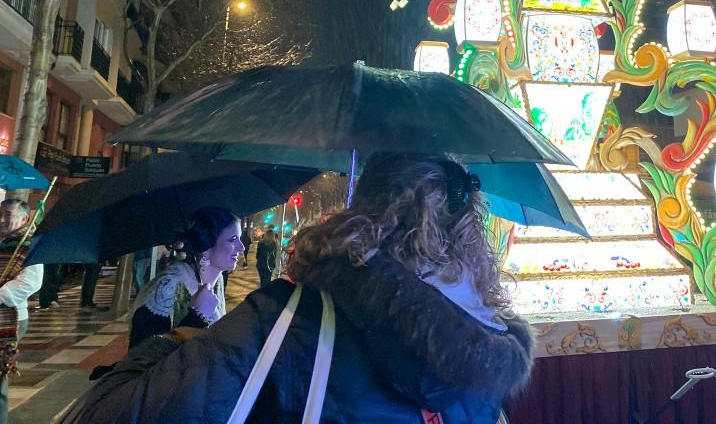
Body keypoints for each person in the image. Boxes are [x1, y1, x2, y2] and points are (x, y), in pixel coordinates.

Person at [60, 153, 534, 424]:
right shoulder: (489, 347)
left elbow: (105, 415)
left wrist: (173, 339)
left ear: (366, 212)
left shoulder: (287, 316)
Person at [127, 207, 244, 349]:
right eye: (233, 239)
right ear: (207, 243)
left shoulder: (216, 280)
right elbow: (144, 356)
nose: (242, 247)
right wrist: (197, 316)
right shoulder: (167, 290)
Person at [0, 199, 43, 424]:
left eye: (8, 215)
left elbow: (30, 283)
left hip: (9, 318)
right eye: (1, 214)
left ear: (25, 218)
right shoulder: (4, 242)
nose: (2, 219)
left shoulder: (28, 245)